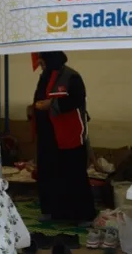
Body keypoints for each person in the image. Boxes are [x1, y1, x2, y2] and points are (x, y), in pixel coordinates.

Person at [32, 51, 96, 225]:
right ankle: (51, 211)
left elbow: (76, 100)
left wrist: (51, 105)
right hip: (48, 135)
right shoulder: (45, 77)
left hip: (69, 133)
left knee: (73, 173)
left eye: (43, 63)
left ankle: (83, 215)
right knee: (48, 172)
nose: (41, 66)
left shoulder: (71, 77)